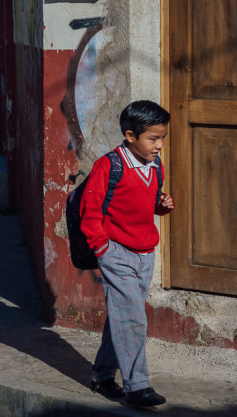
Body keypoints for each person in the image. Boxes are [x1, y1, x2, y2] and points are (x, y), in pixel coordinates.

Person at [80, 100, 174, 409]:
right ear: (131, 136)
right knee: (133, 318)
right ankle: (137, 386)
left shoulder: (154, 165)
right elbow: (89, 211)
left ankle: (103, 376)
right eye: (153, 138)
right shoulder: (110, 165)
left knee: (123, 316)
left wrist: (161, 206)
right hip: (116, 252)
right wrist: (102, 248)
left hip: (145, 253)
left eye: (162, 138)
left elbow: (145, 205)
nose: (159, 145)